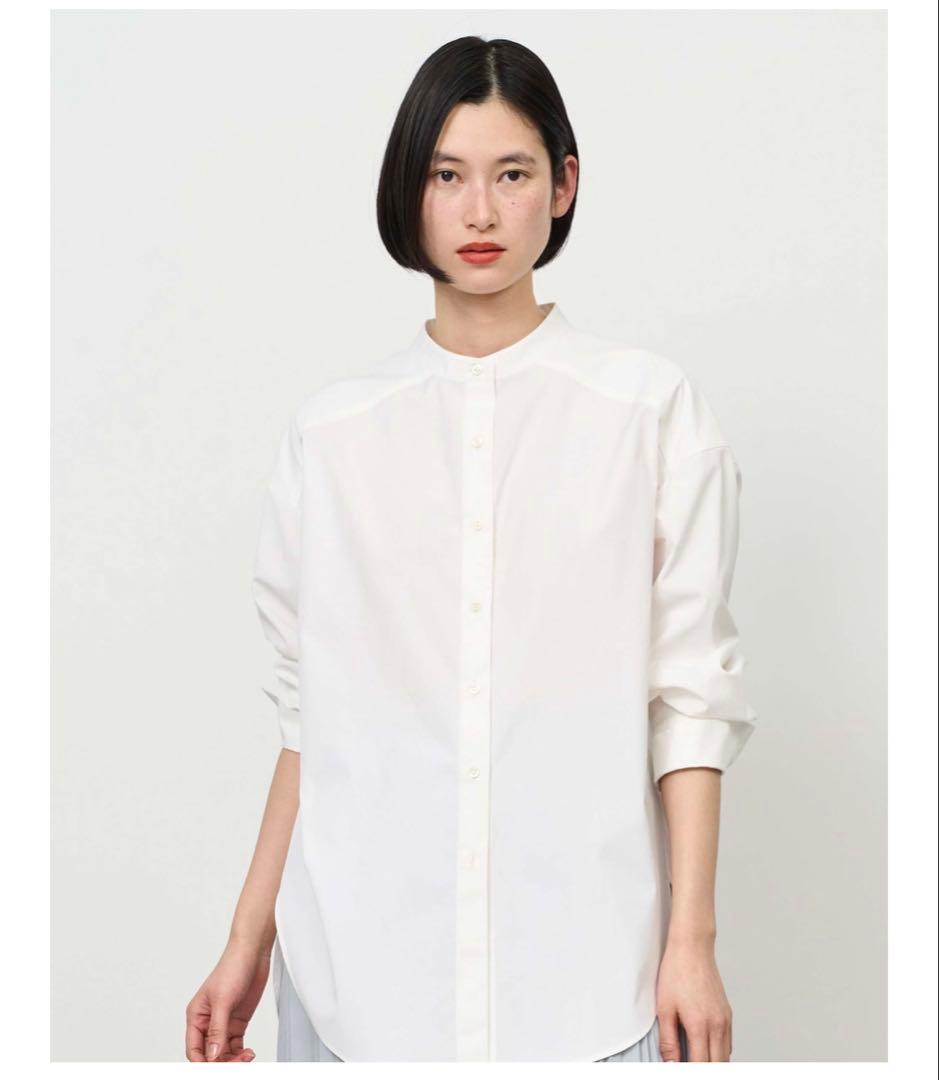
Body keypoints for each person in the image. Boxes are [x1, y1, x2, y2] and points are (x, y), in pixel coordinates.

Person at [184, 35, 756, 1064]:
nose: (480, 212)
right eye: (447, 176)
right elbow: (310, 715)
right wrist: (245, 940)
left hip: (590, 984)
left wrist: (692, 944)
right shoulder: (331, 434)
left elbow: (690, 701)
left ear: (564, 185)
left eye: (512, 174)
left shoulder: (649, 411)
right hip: (353, 984)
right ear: (408, 191)